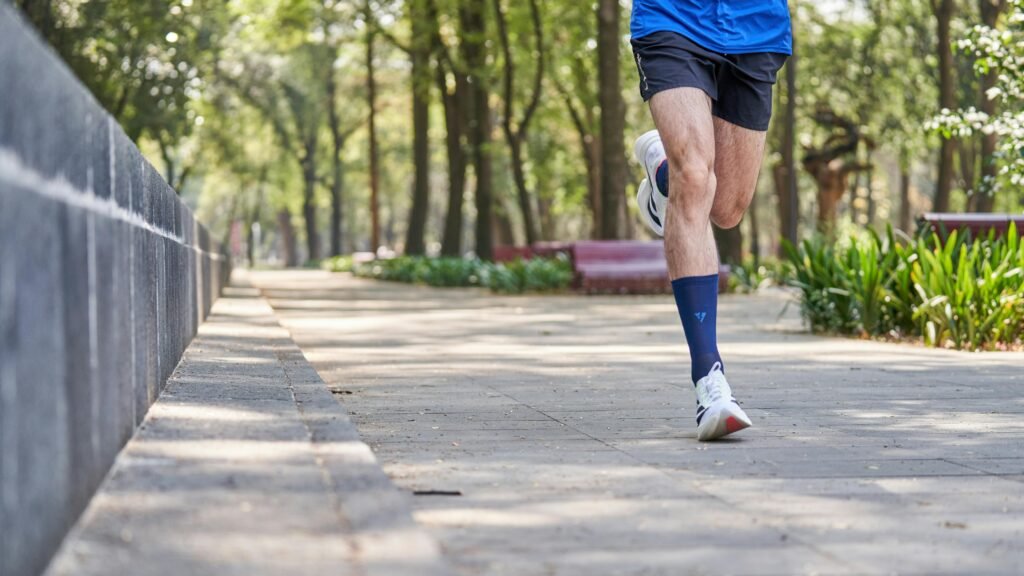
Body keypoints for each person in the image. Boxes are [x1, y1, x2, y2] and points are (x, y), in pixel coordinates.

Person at [629, 1, 792, 440]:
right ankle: (709, 379)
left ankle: (664, 173)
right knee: (697, 176)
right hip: (672, 17)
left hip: (756, 26)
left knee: (725, 208)